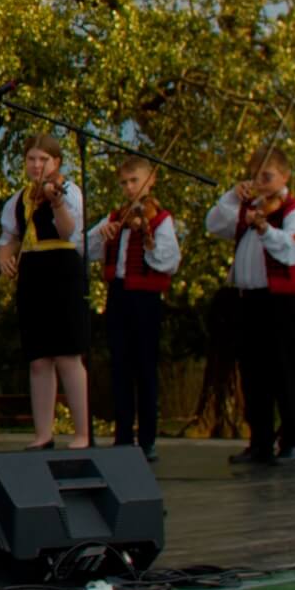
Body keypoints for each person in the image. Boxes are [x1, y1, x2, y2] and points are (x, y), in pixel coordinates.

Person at [205, 147, 295, 465]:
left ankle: (293, 440)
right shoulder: (248, 207)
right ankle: (260, 441)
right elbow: (214, 224)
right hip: (248, 299)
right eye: (256, 176)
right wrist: (231, 196)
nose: (260, 184)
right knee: (252, 373)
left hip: (280, 300)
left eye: (266, 177)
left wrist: (266, 229)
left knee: (283, 371)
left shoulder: (294, 211)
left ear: (284, 176)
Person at [0, 133, 91, 451]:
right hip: (33, 273)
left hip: (62, 269)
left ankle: (81, 433)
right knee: (38, 358)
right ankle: (43, 433)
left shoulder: (69, 192)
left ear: (57, 163)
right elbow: (9, 236)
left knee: (67, 354)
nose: (37, 165)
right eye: (31, 159)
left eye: (44, 160)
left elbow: (69, 231)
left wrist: (57, 201)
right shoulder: (18, 199)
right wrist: (4, 257)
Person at [86, 157, 182, 463]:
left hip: (146, 299)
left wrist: (147, 235)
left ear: (150, 180)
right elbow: (85, 248)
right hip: (118, 296)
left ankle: (148, 439)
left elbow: (169, 261)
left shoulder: (161, 218)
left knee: (145, 368)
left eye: (134, 181)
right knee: (120, 367)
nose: (129, 188)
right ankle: (123, 436)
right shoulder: (116, 216)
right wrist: (104, 235)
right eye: (124, 183)